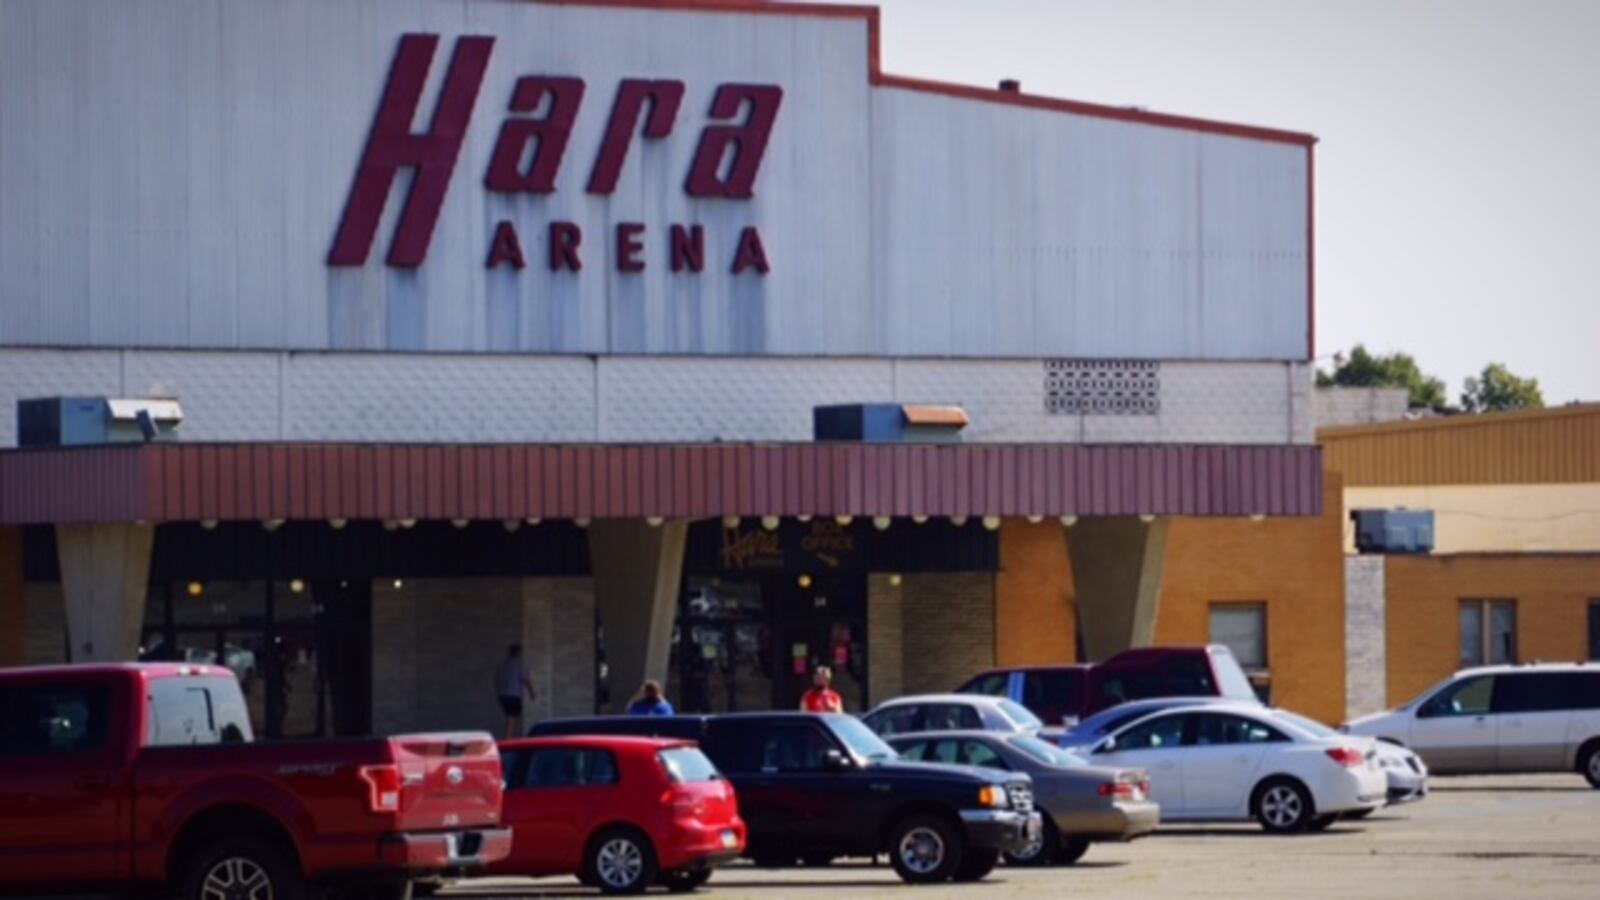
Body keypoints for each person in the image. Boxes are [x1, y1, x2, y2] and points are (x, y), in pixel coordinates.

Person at [493, 644, 537, 738]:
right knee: (512, 717)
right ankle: (508, 739)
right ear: (518, 653)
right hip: (514, 695)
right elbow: (526, 680)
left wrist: (499, 693)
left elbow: (496, 680)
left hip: (503, 695)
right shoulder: (519, 664)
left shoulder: (502, 664)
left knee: (513, 716)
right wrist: (532, 693)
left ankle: (512, 736)